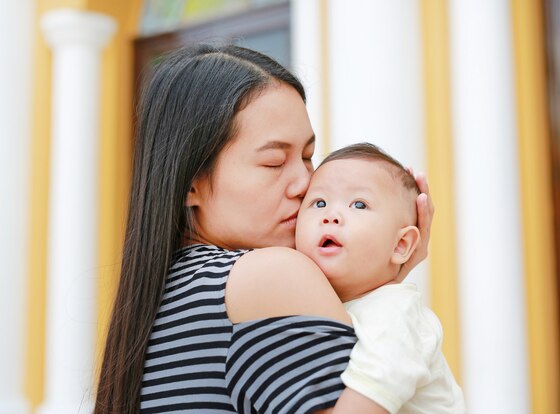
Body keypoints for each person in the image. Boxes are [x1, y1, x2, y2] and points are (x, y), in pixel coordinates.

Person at [95, 44, 434, 414]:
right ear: (192, 182)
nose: (305, 184)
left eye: (307, 157)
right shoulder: (271, 275)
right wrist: (388, 289)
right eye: (274, 163)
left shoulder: (160, 300)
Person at [296, 143, 465, 414]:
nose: (331, 216)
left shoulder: (393, 315)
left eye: (359, 204)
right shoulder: (324, 302)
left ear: (400, 246)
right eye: (319, 202)